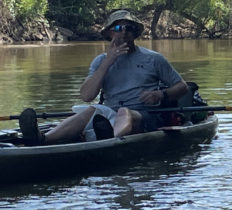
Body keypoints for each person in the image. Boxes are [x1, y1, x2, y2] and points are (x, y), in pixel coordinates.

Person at [19, 9, 190, 145]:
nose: (124, 32)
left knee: (124, 112)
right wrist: (108, 61)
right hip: (108, 113)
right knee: (92, 110)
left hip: (144, 115)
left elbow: (182, 87)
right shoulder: (100, 61)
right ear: (109, 34)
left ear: (135, 33)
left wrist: (160, 94)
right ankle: (42, 139)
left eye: (129, 28)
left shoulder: (153, 59)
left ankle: (111, 140)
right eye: (118, 28)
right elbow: (87, 96)